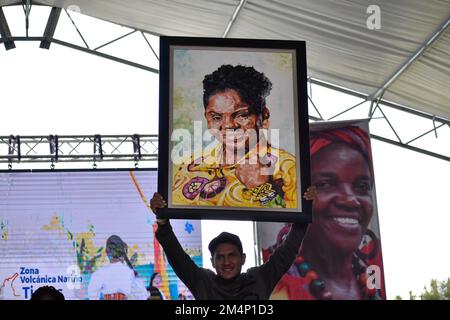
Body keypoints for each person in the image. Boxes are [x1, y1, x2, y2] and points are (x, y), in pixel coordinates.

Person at [265, 126, 386, 300]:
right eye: (326, 184)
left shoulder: (370, 281)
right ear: (298, 198)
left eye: (362, 187)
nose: (351, 200)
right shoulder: (273, 278)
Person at [149, 187, 315, 300]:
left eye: (231, 255)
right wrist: (162, 218)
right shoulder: (203, 282)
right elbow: (177, 256)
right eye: (220, 257)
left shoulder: (259, 279)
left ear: (243, 258)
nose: (226, 262)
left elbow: (287, 252)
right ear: (212, 262)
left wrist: (304, 208)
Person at [172, 64, 298, 209]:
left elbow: (290, 225)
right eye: (217, 117)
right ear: (207, 117)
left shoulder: (286, 168)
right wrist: (162, 217)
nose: (228, 125)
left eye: (241, 115)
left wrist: (261, 189)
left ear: (264, 116)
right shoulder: (189, 165)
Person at [87, 235, 148, 300]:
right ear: (123, 252)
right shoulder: (130, 273)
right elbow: (142, 296)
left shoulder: (99, 274)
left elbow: (92, 296)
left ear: (107, 252)